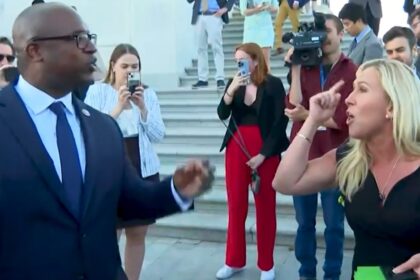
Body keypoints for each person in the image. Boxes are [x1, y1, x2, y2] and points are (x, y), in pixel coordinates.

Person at [0, 3, 215, 279]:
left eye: (91, 38)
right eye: (78, 38)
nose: (91, 48)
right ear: (35, 50)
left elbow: (130, 200)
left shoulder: (102, 127)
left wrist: (176, 190)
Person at [273, 59, 420, 278]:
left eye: (362, 89)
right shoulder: (350, 158)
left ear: (391, 105)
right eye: (352, 89)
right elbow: (284, 182)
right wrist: (312, 120)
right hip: (366, 276)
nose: (348, 100)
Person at [284, 13, 357, 280]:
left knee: (334, 226)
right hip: (302, 156)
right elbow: (292, 107)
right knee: (304, 224)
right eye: (318, 32)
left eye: (327, 31)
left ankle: (332, 274)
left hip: (334, 158)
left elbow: (348, 119)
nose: (322, 37)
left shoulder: (352, 70)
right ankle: (306, 274)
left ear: (341, 34)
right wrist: (295, 66)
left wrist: (310, 117)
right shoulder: (307, 64)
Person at [84, 43, 165, 280]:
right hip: (110, 170)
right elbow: (90, 133)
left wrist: (142, 110)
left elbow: (158, 135)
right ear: (112, 66)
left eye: (135, 66)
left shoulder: (147, 94)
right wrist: (118, 108)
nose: (130, 70)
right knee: (111, 233)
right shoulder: (97, 92)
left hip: (143, 168)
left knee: (138, 232)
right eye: (125, 66)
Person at [216, 42, 289, 280]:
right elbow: (222, 114)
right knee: (236, 206)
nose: (239, 65)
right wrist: (231, 90)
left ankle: (266, 264)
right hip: (236, 148)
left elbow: (280, 122)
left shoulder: (273, 84)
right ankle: (233, 260)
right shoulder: (234, 83)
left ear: (256, 60)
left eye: (243, 60)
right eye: (236, 60)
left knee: (265, 207)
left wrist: (264, 154)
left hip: (264, 151)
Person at [186, 0, 236, 90]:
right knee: (200, 49)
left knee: (217, 48)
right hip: (199, 16)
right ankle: (202, 79)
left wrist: (225, 9)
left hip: (214, 16)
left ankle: (220, 78)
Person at [239, 0, 278, 71]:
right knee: (246, 58)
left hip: (265, 29)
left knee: (265, 60)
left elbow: (276, 8)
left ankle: (268, 81)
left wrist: (268, 8)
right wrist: (256, 10)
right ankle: (246, 80)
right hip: (250, 30)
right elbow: (243, 11)